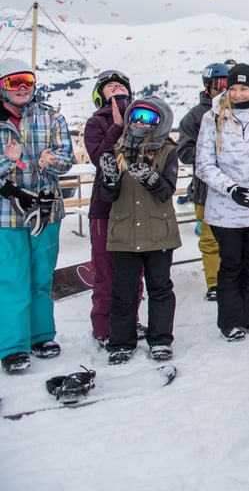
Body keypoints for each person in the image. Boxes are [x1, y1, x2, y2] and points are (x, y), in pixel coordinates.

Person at [0, 59, 73, 373]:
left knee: (41, 278)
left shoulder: (50, 117)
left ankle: (41, 335)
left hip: (46, 213)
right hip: (6, 217)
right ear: (3, 85)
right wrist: (8, 162)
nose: (22, 87)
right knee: (13, 280)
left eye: (27, 80)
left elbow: (66, 158)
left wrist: (50, 161)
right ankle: (13, 346)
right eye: (14, 81)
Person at [98, 96, 181, 365]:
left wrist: (152, 179)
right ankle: (121, 341)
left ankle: (160, 339)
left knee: (160, 287)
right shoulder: (115, 151)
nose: (141, 124)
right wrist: (110, 179)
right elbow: (106, 195)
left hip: (158, 232)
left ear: (160, 122)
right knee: (123, 289)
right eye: (137, 117)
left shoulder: (168, 151)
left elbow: (167, 191)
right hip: (124, 233)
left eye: (149, 119)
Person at [195, 63, 249, 340]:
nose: (238, 94)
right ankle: (230, 320)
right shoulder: (212, 118)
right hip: (225, 209)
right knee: (231, 264)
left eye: (244, 88)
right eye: (234, 89)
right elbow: (203, 164)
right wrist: (231, 188)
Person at [84, 69, 143, 346]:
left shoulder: (143, 117)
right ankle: (104, 328)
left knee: (134, 270)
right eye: (109, 87)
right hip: (105, 208)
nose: (116, 88)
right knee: (106, 270)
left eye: (120, 85)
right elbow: (99, 158)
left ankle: (130, 321)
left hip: (135, 204)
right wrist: (116, 127)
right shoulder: (96, 123)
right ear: (100, 96)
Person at [178, 62, 229, 301]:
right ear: (207, 87)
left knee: (236, 238)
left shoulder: (239, 113)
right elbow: (184, 152)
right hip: (206, 189)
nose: (222, 90)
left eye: (227, 85)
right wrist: (210, 153)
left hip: (234, 187)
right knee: (210, 238)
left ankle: (233, 278)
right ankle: (215, 282)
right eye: (217, 85)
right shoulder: (195, 117)